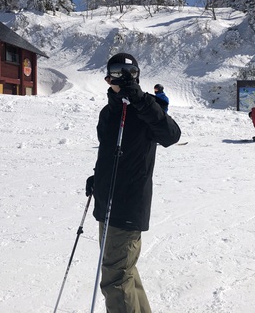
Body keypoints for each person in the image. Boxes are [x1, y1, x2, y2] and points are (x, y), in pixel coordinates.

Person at [85, 52, 181, 313]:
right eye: (117, 73)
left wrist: (141, 100)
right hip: (106, 201)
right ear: (107, 78)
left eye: (131, 74)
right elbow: (106, 152)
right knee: (123, 271)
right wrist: (98, 177)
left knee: (115, 277)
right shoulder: (108, 113)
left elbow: (171, 135)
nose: (124, 79)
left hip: (128, 203)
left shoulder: (147, 109)